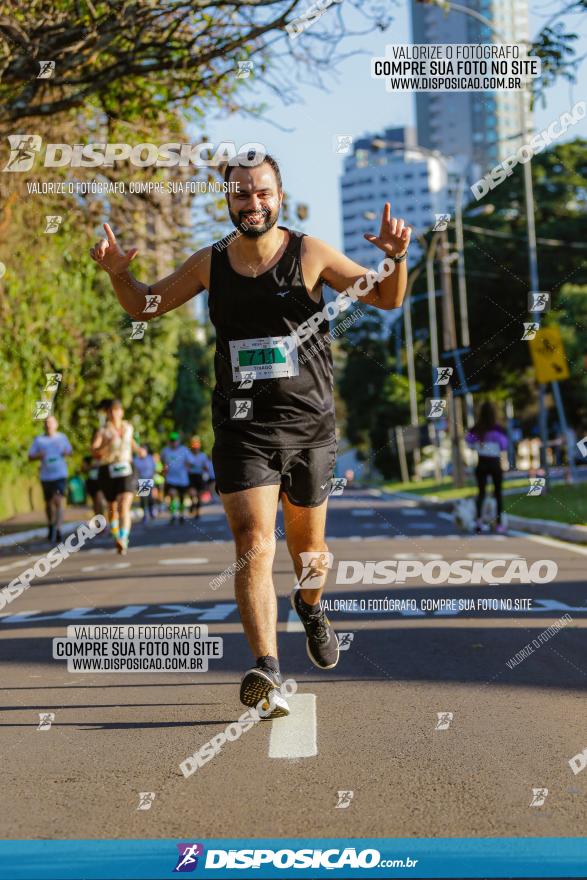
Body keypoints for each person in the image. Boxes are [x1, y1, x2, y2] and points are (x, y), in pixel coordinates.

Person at [90, 152, 410, 717]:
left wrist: (397, 258)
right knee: (253, 545)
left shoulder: (309, 253)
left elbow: (386, 297)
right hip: (242, 428)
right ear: (229, 201)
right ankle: (268, 667)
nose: (252, 203)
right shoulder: (210, 264)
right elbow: (145, 306)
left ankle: (310, 607)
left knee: (311, 555)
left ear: (278, 197)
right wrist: (119, 271)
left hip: (310, 427)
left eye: (262, 192)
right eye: (241, 194)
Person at [91, 399, 145, 553]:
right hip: (107, 470)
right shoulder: (103, 431)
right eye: (112, 411)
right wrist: (106, 445)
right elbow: (94, 451)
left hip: (126, 469)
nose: (115, 414)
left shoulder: (129, 427)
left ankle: (123, 538)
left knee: (125, 504)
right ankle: (116, 534)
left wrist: (139, 450)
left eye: (118, 410)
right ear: (108, 413)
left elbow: (131, 443)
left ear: (122, 412)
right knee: (112, 507)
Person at [466, 401, 509, 534]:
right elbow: (504, 446)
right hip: (495, 463)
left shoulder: (476, 429)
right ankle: (499, 524)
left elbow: (469, 443)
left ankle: (478, 522)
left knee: (481, 493)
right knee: (498, 494)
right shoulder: (498, 429)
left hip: (481, 463)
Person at [28, 415, 72, 543]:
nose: (49, 425)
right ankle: (50, 525)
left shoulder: (62, 437)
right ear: (44, 425)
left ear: (56, 424)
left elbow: (70, 452)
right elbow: (30, 457)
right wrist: (38, 455)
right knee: (48, 504)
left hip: (60, 475)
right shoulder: (39, 440)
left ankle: (58, 529)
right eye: (46, 423)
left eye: (51, 423)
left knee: (58, 501)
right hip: (46, 476)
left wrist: (66, 452)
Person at [160, 432, 195, 524]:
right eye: (171, 441)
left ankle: (181, 514)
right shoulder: (165, 451)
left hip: (182, 479)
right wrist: (164, 468)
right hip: (171, 478)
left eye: (175, 441)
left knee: (181, 498)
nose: (173, 442)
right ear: (169, 441)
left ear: (178, 441)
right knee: (171, 494)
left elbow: (192, 461)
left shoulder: (184, 450)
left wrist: (187, 466)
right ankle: (173, 515)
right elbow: (162, 460)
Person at [187, 435, 213, 519]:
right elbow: (186, 465)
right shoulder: (188, 455)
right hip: (191, 476)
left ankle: (197, 512)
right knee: (192, 493)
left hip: (199, 476)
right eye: (194, 446)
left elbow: (206, 467)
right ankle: (192, 504)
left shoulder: (202, 455)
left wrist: (203, 467)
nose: (195, 448)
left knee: (198, 496)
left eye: (197, 446)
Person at [134, 444, 157, 521]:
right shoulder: (136, 460)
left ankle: (151, 510)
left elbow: (154, 469)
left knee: (150, 497)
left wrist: (154, 483)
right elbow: (135, 472)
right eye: (139, 451)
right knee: (143, 498)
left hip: (149, 479)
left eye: (142, 451)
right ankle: (145, 514)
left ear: (145, 451)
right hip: (141, 480)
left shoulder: (150, 459)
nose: (140, 453)